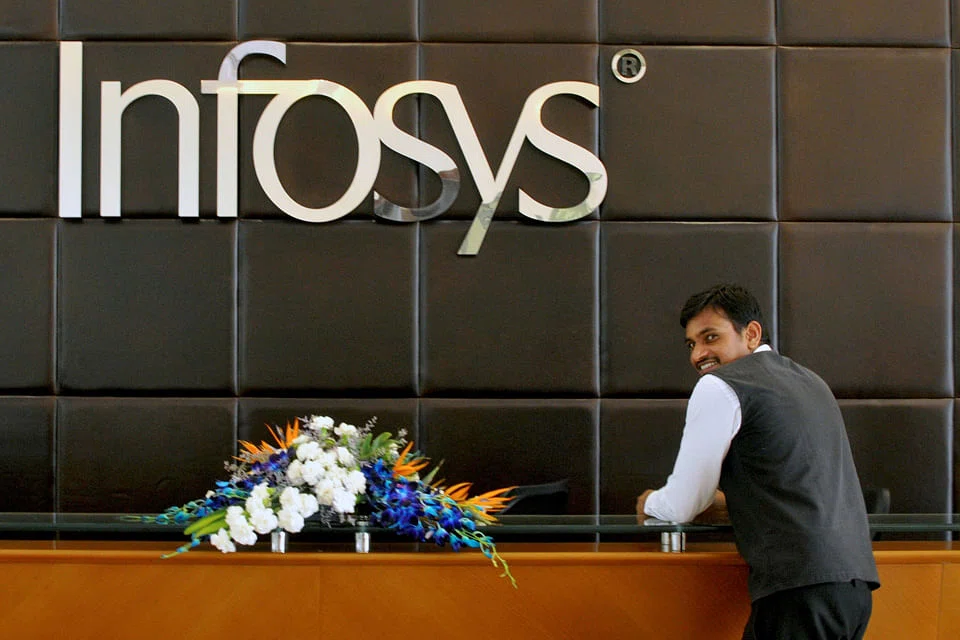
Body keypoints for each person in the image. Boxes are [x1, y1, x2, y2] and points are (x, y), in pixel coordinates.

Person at [636, 283, 879, 640]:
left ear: (751, 333)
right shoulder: (811, 382)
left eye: (710, 337)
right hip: (854, 591)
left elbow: (682, 504)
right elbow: (791, 486)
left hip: (798, 594)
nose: (698, 354)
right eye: (691, 344)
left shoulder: (719, 386)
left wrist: (649, 504)